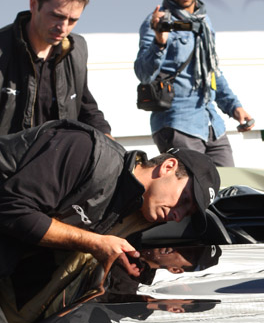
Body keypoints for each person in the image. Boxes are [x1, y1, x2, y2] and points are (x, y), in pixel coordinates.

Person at [0, 119, 220, 279]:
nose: (177, 215)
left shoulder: (135, 215)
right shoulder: (85, 151)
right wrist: (94, 243)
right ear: (168, 166)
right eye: (184, 200)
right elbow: (12, 209)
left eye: (187, 214)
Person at [134, 0, 254, 167]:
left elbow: (213, 72)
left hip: (211, 123)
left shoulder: (204, 21)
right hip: (177, 123)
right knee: (195, 194)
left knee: (230, 190)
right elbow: (143, 73)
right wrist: (160, 41)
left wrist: (234, 107)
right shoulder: (157, 22)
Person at [0, 0, 111, 136]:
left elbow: (85, 107)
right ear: (33, 4)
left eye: (73, 20)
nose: (63, 28)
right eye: (57, 16)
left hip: (58, 159)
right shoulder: (4, 49)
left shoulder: (76, 49)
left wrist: (111, 144)